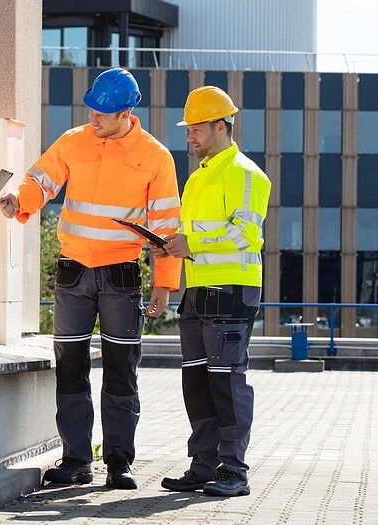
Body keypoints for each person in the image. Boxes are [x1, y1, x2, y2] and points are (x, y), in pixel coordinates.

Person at [0, 68, 181, 490]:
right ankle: (77, 460)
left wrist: (164, 283)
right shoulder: (73, 141)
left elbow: (166, 227)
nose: (93, 118)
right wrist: (18, 200)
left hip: (121, 277)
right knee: (70, 369)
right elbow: (40, 181)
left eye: (102, 114)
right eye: (92, 110)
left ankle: (118, 462)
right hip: (74, 272)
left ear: (127, 113)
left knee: (121, 372)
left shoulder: (155, 157)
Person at [153, 86, 271, 497]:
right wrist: (171, 244)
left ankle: (234, 471)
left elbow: (245, 234)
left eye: (196, 129)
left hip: (232, 292)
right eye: (189, 129)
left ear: (221, 126)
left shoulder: (245, 174)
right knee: (198, 383)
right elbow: (194, 234)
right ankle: (203, 466)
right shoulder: (199, 177)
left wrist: (192, 243)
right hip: (199, 291)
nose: (190, 136)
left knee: (226, 382)